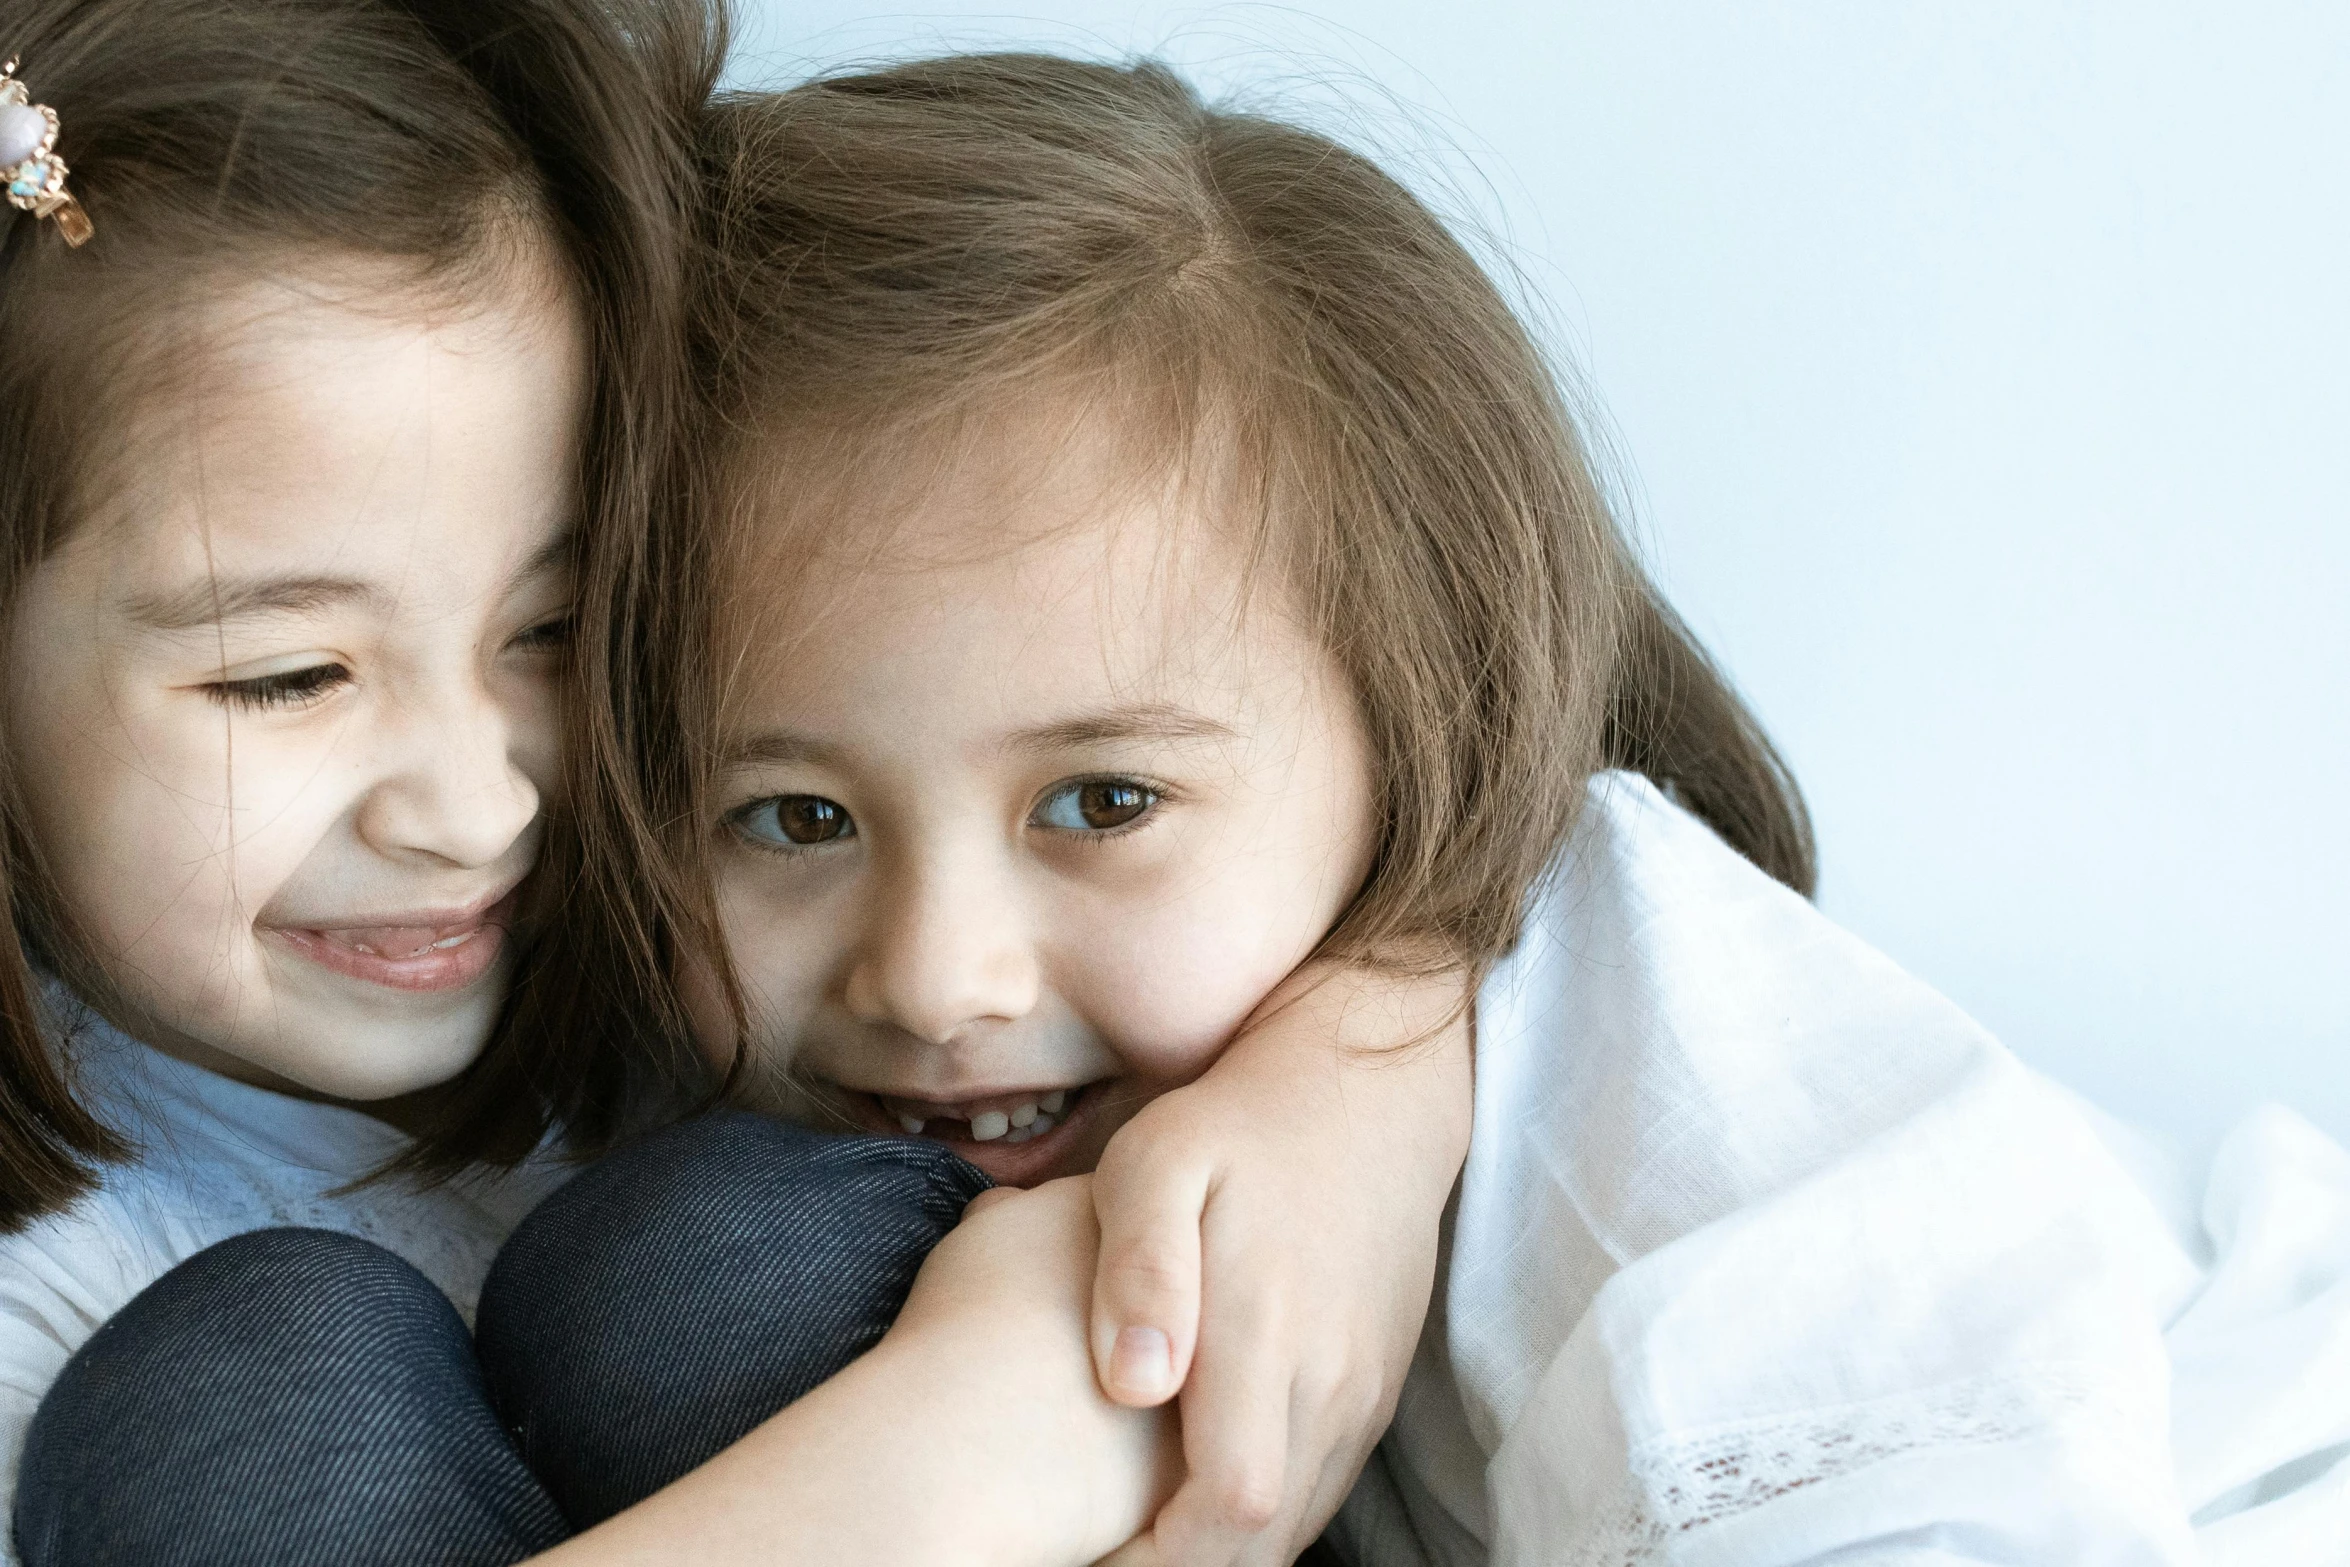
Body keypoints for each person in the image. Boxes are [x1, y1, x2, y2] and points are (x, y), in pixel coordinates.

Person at [589, 52, 2346, 1565]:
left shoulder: (1641, 1011)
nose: (937, 977)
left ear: (1424, 736)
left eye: (1104, 800)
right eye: (792, 819)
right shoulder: (758, 1140)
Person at [0, 11, 1472, 1564]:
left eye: (555, 634)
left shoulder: (690, 976)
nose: (478, 808)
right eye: (285, 676)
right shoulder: (59, 1319)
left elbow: (1534, 786)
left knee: (700, 1259)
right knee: (234, 1389)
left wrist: (1367, 1068)